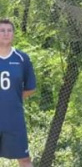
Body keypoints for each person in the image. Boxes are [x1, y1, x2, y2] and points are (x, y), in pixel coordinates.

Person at [0, 19, 36, 167]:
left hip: (14, 119)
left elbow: (31, 88)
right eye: (2, 30)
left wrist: (12, 99)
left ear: (13, 34)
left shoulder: (22, 59)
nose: (6, 34)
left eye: (9, 30)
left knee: (25, 161)